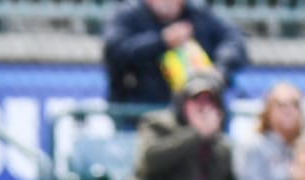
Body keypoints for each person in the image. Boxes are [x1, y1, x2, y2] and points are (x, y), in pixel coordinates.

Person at [126, 70, 238, 180]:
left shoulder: (220, 145)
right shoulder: (158, 124)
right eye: (197, 100)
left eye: (209, 101)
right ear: (183, 103)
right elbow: (151, 160)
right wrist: (195, 134)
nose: (203, 107)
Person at [102, 0, 248, 112]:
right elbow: (115, 52)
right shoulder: (129, 14)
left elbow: (234, 40)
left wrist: (221, 68)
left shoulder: (199, 15)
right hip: (138, 111)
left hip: (194, 112)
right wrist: (162, 41)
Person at [234, 82, 305, 180]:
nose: (288, 110)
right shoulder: (254, 148)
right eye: (280, 105)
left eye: (294, 104)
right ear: (268, 111)